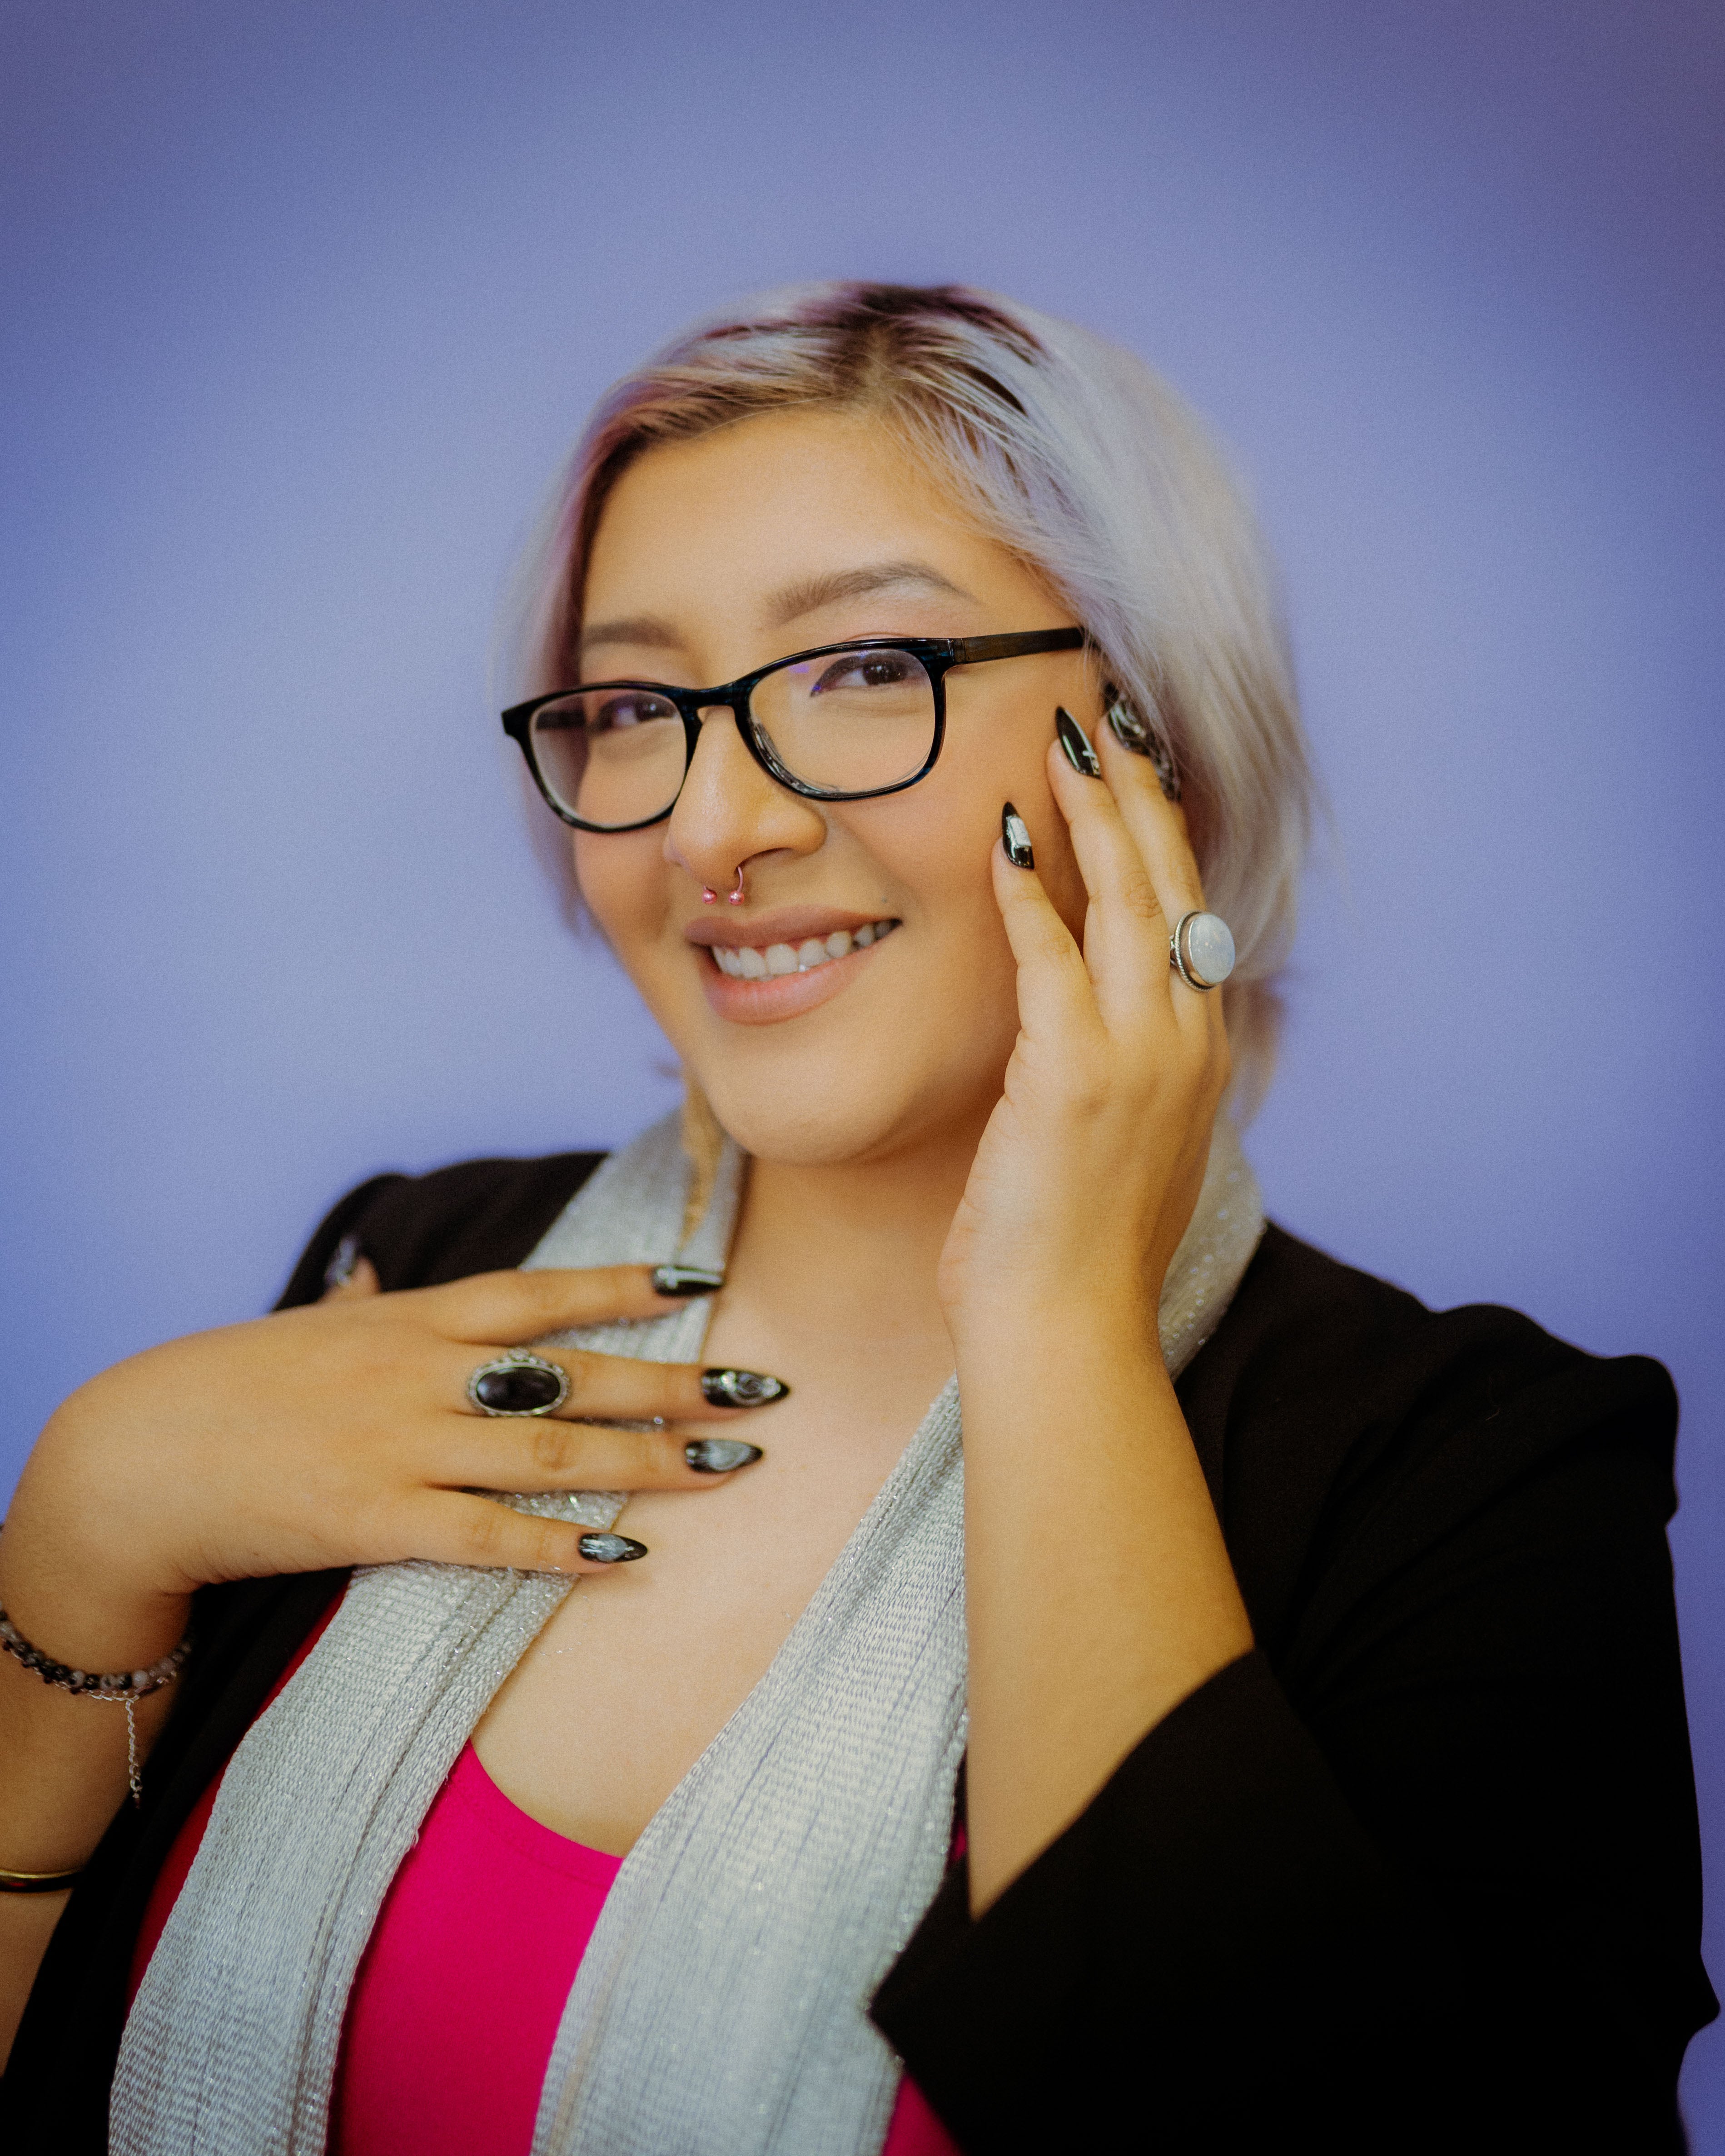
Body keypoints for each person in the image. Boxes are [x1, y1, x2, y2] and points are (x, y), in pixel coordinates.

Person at [0, 282, 1712, 2155]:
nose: (710, 824)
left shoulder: (1468, 1485)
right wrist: (89, 1527)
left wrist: (1056, 1320)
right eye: (633, 704)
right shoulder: (412, 1272)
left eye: (865, 669)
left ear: (1146, 738)